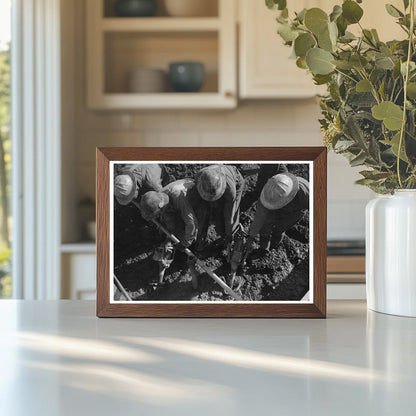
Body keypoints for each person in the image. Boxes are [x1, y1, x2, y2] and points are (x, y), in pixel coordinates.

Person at [140, 179, 199, 286]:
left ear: (161, 207)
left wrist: (185, 243)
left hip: (197, 198)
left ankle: (199, 247)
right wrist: (168, 239)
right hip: (179, 206)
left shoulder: (177, 196)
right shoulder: (160, 199)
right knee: (174, 227)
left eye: (157, 215)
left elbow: (192, 223)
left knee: (194, 230)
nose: (157, 217)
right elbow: (170, 221)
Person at [246, 172, 309, 258]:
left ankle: (273, 246)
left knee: (280, 228)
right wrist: (251, 237)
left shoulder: (306, 194)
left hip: (296, 211)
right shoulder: (268, 194)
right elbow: (259, 219)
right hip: (274, 206)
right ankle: (264, 249)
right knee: (265, 226)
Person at [194, 164, 245, 251]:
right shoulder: (200, 176)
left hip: (235, 181)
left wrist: (229, 233)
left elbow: (229, 215)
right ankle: (199, 241)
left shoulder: (230, 191)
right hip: (217, 184)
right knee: (203, 210)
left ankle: (229, 236)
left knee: (231, 215)